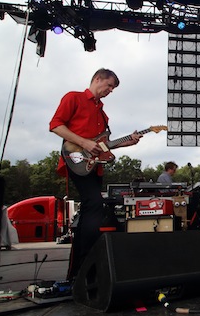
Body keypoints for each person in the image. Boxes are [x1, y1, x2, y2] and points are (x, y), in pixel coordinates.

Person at [49, 68, 143, 281]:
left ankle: (80, 270)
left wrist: (126, 142)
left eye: (113, 88)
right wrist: (83, 142)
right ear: (97, 79)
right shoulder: (74, 97)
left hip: (94, 166)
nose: (110, 90)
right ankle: (82, 267)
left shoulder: (103, 113)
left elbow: (101, 146)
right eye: (109, 85)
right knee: (93, 205)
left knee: (92, 209)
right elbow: (55, 125)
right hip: (76, 160)